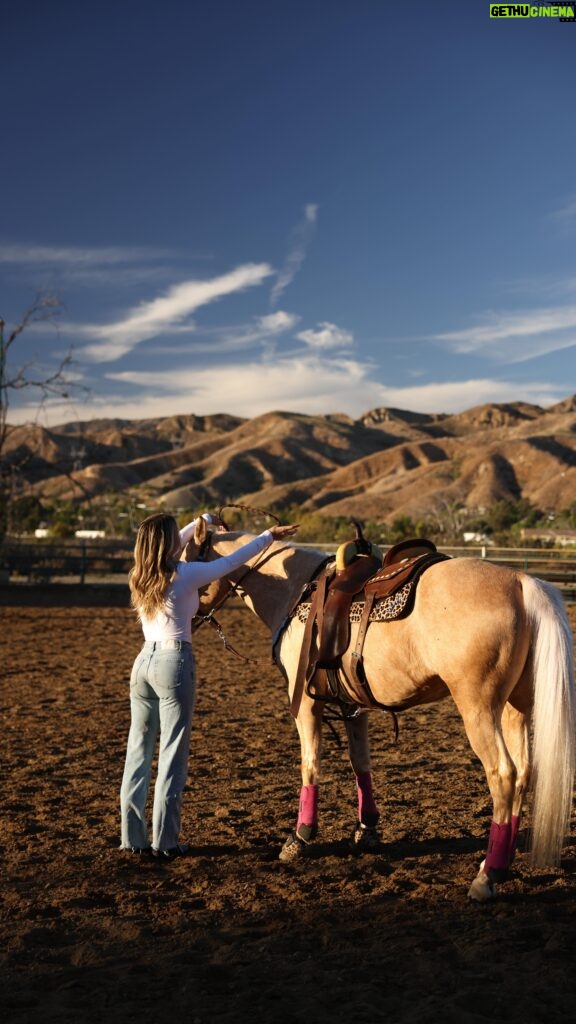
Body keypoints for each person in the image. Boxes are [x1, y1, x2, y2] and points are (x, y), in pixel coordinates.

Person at [119, 511, 299, 860]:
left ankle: (133, 839)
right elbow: (233, 560)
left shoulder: (138, 575)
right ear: (168, 543)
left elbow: (176, 541)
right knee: (172, 756)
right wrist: (268, 536)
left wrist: (202, 519)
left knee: (138, 754)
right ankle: (166, 843)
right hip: (174, 663)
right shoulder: (186, 574)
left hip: (142, 664)